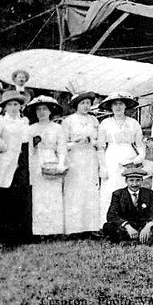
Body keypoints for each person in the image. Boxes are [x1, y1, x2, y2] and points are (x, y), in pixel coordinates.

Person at [0, 90, 31, 244]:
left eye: (16, 104)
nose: (13, 107)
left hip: (21, 163)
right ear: (4, 107)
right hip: (4, 162)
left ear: (20, 106)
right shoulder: (0, 122)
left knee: (19, 198)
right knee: (2, 197)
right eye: (10, 104)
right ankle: (0, 234)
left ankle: (18, 234)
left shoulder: (24, 122)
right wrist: (4, 148)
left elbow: (27, 139)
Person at [96, 92, 146, 219]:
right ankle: (106, 222)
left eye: (121, 104)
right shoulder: (105, 123)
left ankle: (129, 222)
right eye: (115, 104)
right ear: (111, 107)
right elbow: (100, 147)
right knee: (110, 189)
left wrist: (137, 159)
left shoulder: (133, 123)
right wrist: (102, 167)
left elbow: (140, 145)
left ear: (125, 106)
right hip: (111, 157)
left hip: (128, 156)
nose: (118, 107)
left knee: (128, 187)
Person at [24, 95, 68, 237]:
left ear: (50, 111)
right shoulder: (30, 129)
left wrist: (61, 163)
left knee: (53, 195)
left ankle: (55, 230)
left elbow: (61, 148)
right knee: (39, 197)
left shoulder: (57, 128)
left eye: (44, 109)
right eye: (38, 109)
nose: (41, 112)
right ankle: (40, 231)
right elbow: (27, 150)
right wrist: (33, 144)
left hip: (51, 160)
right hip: (35, 161)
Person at [60, 91, 102, 236]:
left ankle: (91, 228)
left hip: (90, 159)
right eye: (82, 103)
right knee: (74, 192)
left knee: (90, 192)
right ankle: (74, 229)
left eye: (88, 103)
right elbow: (62, 144)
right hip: (75, 160)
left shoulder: (94, 121)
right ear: (76, 105)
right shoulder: (68, 121)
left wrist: (91, 141)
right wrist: (75, 142)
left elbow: (100, 142)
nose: (86, 106)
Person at [102, 166, 153, 243]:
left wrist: (148, 226)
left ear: (142, 181)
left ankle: (134, 239)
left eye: (138, 180)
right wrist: (127, 226)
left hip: (143, 226)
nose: (134, 184)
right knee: (108, 226)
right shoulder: (118, 194)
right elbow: (111, 215)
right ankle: (139, 239)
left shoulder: (148, 193)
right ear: (126, 181)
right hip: (127, 228)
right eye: (131, 181)